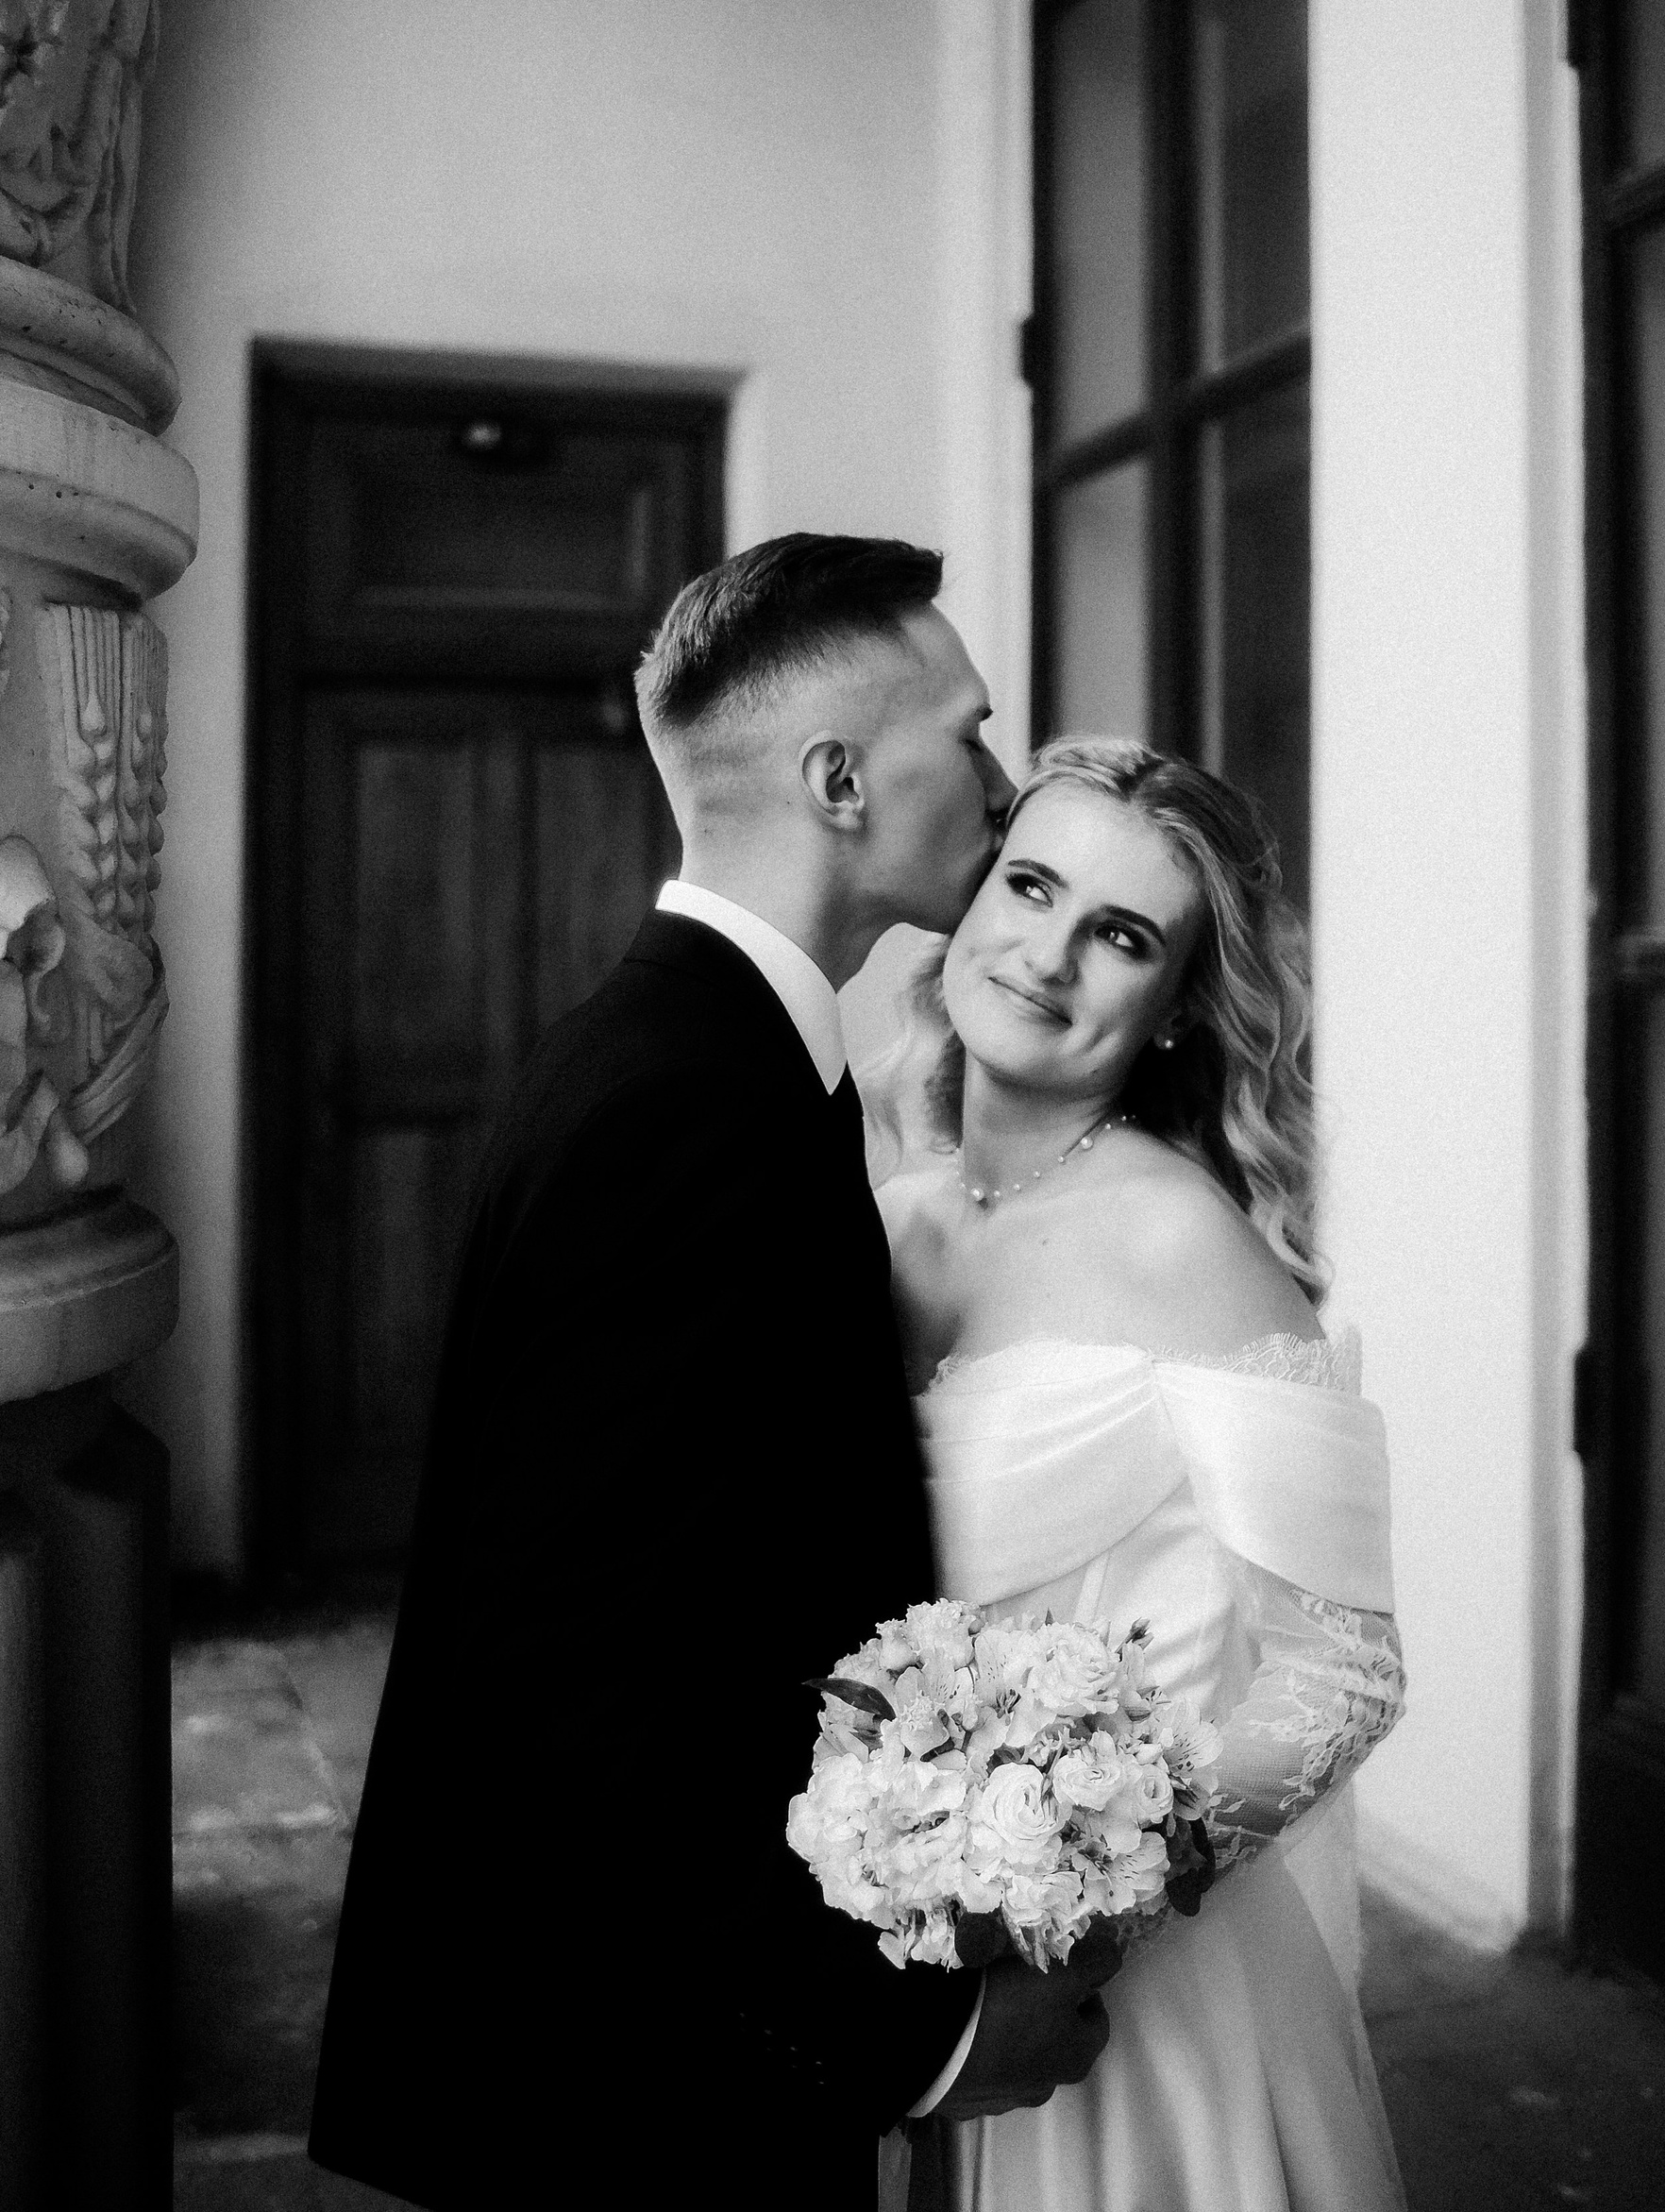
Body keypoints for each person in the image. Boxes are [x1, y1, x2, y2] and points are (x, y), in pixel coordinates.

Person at [309, 535, 1123, 2211]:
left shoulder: (714, 1055)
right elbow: (575, 1674)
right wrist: (914, 2037)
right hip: (635, 2087)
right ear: (839, 782)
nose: (1000, 781)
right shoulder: (683, 1103)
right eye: (966, 731)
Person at [878, 736, 1409, 2212]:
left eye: (1120, 936)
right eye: (1029, 887)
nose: (1047, 955)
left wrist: (1086, 1885)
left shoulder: (1187, 1245)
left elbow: (1346, 1670)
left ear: (1175, 1004)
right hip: (902, 1969)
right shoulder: (890, 1218)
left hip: (1135, 2000)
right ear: (970, 901)